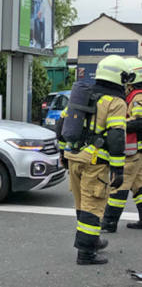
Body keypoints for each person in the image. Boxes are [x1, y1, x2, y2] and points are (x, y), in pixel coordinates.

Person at [61, 55, 129, 265]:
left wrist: (63, 155)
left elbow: (61, 124)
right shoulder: (115, 102)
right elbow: (117, 136)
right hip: (94, 161)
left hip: (73, 156)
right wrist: (118, 170)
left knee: (83, 204)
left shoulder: (83, 95)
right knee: (93, 207)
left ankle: (93, 240)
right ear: (119, 77)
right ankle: (86, 253)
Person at [102, 58, 142, 232]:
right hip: (137, 150)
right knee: (139, 186)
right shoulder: (134, 95)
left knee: (120, 186)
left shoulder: (137, 96)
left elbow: (139, 122)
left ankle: (109, 222)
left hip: (132, 151)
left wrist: (118, 124)